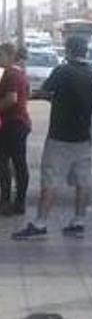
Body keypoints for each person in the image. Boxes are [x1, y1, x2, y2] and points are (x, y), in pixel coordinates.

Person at [12, 35, 92, 240]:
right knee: (83, 182)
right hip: (83, 137)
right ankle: (79, 221)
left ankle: (40, 223)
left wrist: (42, 96)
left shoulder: (63, 71)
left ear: (68, 50)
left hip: (60, 137)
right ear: (85, 51)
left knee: (50, 180)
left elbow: (45, 90)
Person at [0, 43, 31, 216]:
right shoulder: (19, 73)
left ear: (10, 55)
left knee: (6, 163)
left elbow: (11, 99)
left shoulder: (11, 74)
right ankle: (17, 202)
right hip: (19, 124)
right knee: (18, 163)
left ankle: (8, 201)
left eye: (0, 56)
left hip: (12, 124)